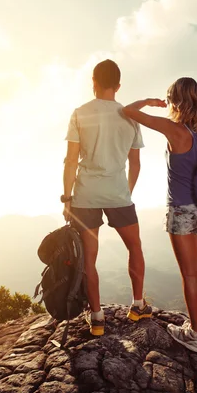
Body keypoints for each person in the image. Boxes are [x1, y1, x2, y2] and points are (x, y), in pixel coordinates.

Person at [62, 59, 152, 336]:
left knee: (89, 257)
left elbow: (71, 161)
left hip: (85, 195)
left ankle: (98, 317)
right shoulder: (130, 116)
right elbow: (135, 163)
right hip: (118, 194)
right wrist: (127, 192)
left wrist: (67, 198)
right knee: (134, 247)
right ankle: (138, 305)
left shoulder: (80, 113)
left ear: (94, 83)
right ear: (118, 85)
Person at [123, 77, 197, 352]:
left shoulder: (173, 129)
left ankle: (195, 337)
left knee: (189, 276)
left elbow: (127, 110)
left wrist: (149, 102)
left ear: (175, 100)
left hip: (181, 210)